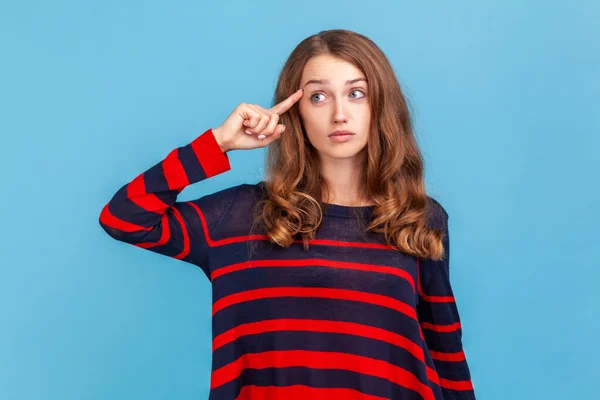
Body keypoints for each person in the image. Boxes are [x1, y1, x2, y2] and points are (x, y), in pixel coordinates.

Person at [99, 29, 476, 400]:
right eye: (318, 96)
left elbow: (445, 348)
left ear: (381, 105)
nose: (339, 114)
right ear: (295, 112)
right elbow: (124, 219)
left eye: (356, 93)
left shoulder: (419, 217)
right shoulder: (235, 217)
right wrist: (219, 143)